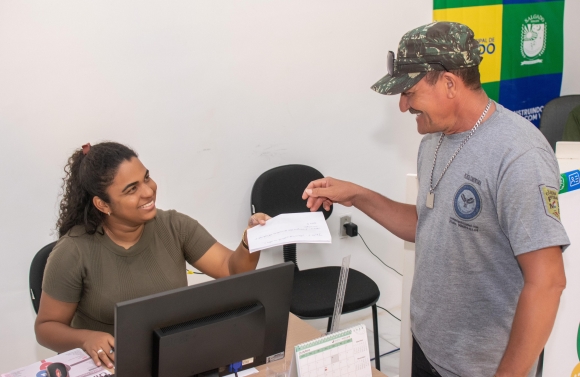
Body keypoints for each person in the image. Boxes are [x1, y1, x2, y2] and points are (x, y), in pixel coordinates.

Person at [302, 22, 568, 377]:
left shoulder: (518, 155)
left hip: (484, 368)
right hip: (428, 350)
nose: (403, 106)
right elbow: (428, 225)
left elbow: (548, 281)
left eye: (409, 92)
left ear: (448, 83)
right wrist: (357, 195)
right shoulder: (433, 141)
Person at [34, 142, 270, 369]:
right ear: (103, 204)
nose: (149, 191)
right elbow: (46, 327)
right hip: (114, 366)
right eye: (131, 189)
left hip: (174, 357)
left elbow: (232, 270)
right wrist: (85, 339)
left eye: (146, 178)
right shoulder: (72, 251)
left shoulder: (174, 226)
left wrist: (250, 241)